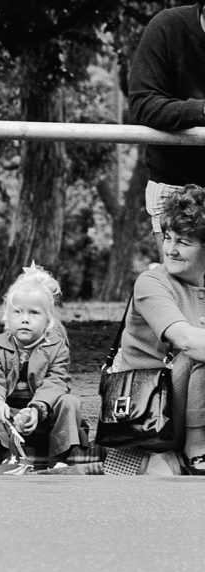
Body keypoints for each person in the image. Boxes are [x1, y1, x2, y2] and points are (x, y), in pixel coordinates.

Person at [109, 185, 205, 474]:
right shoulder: (152, 283)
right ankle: (197, 448)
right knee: (198, 350)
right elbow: (187, 342)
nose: (170, 249)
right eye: (167, 237)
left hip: (192, 397)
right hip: (150, 409)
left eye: (184, 242)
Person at [0, 264, 88, 469]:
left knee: (70, 402)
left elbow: (57, 381)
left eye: (34, 313)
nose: (25, 319)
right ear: (6, 317)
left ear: (48, 320)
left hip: (43, 417)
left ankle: (58, 460)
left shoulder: (56, 346)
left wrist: (37, 409)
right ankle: (6, 455)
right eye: (18, 312)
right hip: (6, 418)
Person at [128, 1, 205, 257]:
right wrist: (202, 111)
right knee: (180, 287)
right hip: (174, 185)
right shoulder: (168, 27)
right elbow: (143, 103)